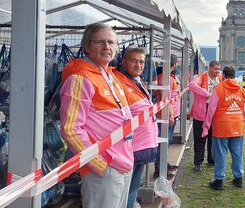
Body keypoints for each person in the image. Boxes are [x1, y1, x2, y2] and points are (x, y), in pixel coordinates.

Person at [59, 23, 133, 208]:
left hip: (122, 163)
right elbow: (70, 129)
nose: (107, 47)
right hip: (105, 167)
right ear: (86, 46)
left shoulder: (110, 75)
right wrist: (101, 166)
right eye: (100, 42)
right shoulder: (81, 77)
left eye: (111, 42)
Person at [113, 46, 157, 208]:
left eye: (141, 62)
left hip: (140, 145)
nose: (138, 65)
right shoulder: (119, 82)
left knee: (132, 187)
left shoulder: (135, 81)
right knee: (125, 190)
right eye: (134, 61)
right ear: (124, 61)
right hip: (129, 147)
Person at [202, 66, 245, 190]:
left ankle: (219, 180)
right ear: (234, 75)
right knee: (237, 153)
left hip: (221, 126)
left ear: (224, 75)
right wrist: (241, 120)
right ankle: (238, 178)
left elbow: (211, 110)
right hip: (237, 125)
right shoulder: (242, 90)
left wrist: (206, 126)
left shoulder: (218, 89)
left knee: (220, 154)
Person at [188, 60, 223, 171]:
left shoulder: (220, 78)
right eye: (215, 69)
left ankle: (211, 158)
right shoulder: (201, 77)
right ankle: (198, 162)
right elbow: (192, 85)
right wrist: (206, 94)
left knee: (213, 137)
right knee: (200, 138)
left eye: (218, 69)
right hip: (202, 112)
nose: (217, 71)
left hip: (215, 112)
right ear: (209, 68)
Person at [154, 54, 180, 178]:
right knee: (163, 143)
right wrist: (170, 114)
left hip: (167, 114)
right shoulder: (166, 78)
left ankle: (163, 164)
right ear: (174, 64)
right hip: (165, 115)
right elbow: (166, 98)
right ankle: (160, 169)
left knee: (165, 142)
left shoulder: (165, 77)